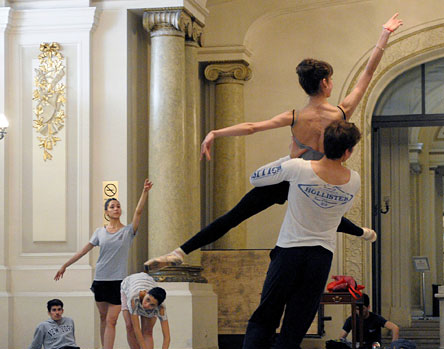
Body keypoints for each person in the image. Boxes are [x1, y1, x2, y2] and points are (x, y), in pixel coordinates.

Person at [144, 13, 403, 271]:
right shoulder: (340, 113)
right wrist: (384, 35)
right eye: (331, 80)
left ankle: (180, 251)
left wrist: (215, 132)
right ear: (325, 83)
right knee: (327, 217)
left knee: (234, 216)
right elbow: (368, 74)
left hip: (287, 178)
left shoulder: (295, 116)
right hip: (317, 180)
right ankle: (364, 233)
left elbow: (252, 127)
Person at [230, 120, 362, 349]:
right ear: (348, 152)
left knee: (262, 321)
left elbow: (255, 178)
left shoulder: (297, 168)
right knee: (292, 334)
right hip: (320, 259)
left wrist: (288, 157)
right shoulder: (353, 180)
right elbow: (339, 215)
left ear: (322, 144)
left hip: (288, 254)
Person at [54, 179, 153, 349]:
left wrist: (145, 191)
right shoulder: (100, 232)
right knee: (103, 319)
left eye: (118, 206)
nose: (116, 209)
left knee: (111, 320)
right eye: (112, 207)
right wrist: (65, 265)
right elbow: (83, 251)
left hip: (118, 282)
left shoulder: (128, 231)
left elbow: (138, 212)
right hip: (100, 280)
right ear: (107, 212)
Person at [120, 272, 170, 349]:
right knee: (130, 327)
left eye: (152, 305)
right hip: (128, 286)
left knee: (147, 331)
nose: (146, 305)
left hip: (148, 283)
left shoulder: (161, 308)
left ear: (157, 306)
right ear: (146, 293)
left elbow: (167, 337)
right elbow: (136, 329)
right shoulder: (134, 299)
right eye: (147, 300)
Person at [26, 299, 102, 349]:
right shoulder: (43, 326)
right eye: (54, 310)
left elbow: (72, 338)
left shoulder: (69, 321)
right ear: (49, 312)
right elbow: (36, 345)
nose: (57, 312)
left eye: (59, 309)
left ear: (62, 311)